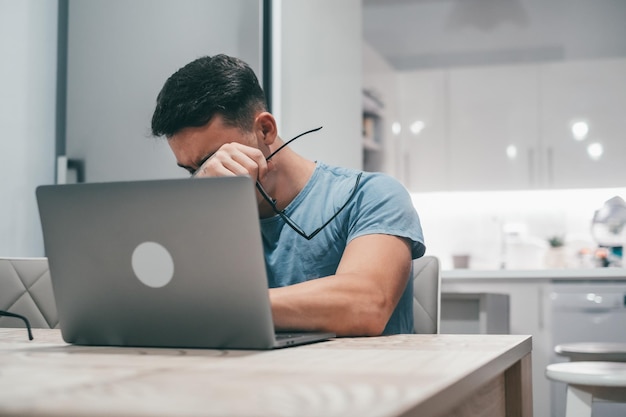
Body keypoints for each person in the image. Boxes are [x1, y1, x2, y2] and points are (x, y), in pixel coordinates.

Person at [151, 54, 425, 336]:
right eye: (192, 171)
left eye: (216, 158)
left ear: (265, 129)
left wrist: (218, 308)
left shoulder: (372, 195)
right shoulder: (213, 214)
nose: (209, 176)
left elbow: (367, 305)